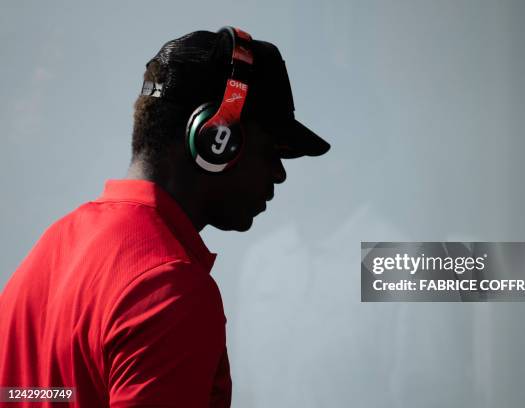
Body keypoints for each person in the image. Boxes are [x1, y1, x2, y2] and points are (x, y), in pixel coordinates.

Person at [0, 26, 329, 407]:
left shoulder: (54, 244)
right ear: (216, 139)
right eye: (274, 149)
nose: (279, 172)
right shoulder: (170, 291)